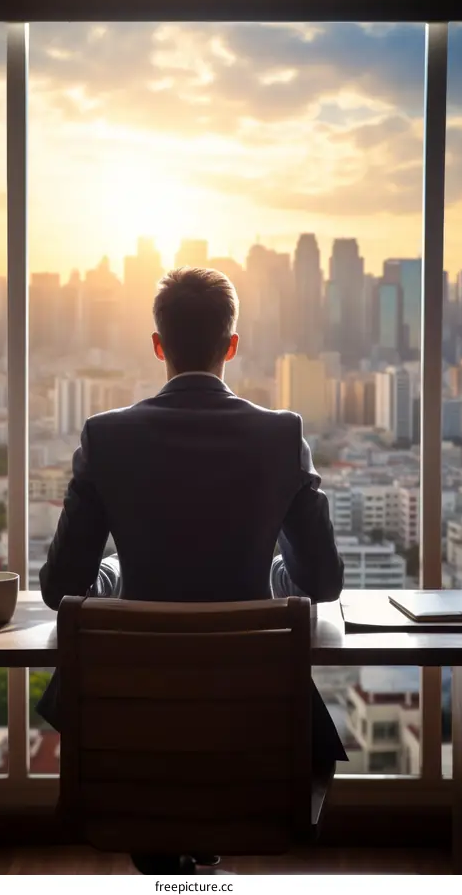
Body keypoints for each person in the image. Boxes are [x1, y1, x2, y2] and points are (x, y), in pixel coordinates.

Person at [38, 266, 347, 873]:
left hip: (129, 730)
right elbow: (325, 583)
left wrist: (113, 574)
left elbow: (60, 590)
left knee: (157, 801)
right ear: (231, 345)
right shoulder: (282, 436)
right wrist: (275, 581)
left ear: (159, 346)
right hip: (253, 734)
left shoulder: (106, 437)